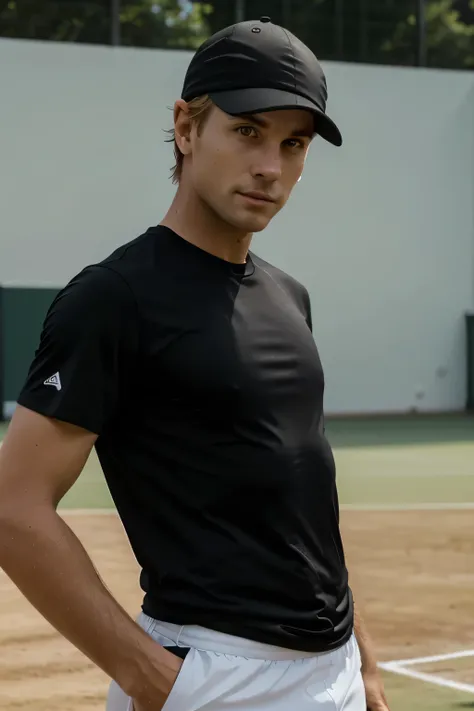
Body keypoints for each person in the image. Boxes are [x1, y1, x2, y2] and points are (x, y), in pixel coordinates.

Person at [0, 16, 390, 711]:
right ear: (186, 128)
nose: (271, 165)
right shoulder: (115, 297)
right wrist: (156, 679)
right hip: (215, 673)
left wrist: (363, 660)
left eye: (293, 143)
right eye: (248, 131)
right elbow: (14, 508)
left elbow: (302, 497)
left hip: (332, 671)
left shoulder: (289, 297)